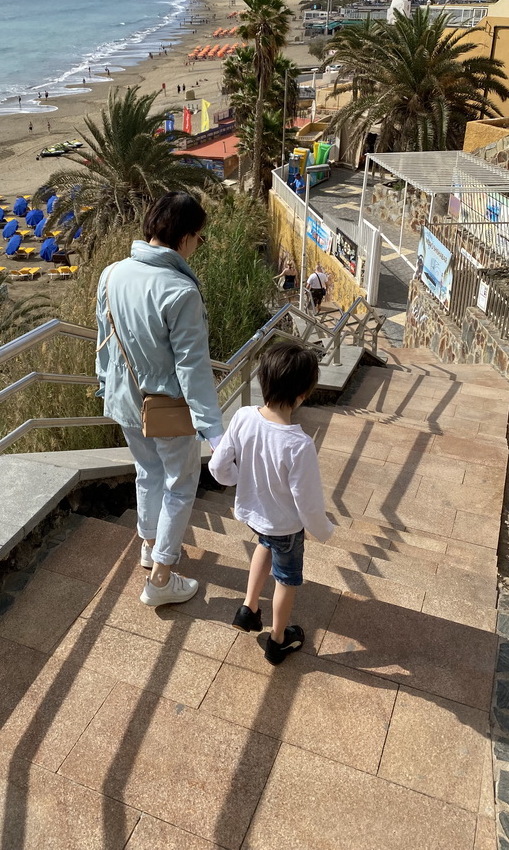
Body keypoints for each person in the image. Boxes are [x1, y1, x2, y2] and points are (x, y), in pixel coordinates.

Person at [96, 192, 223, 608]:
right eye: (199, 239)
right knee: (181, 486)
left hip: (124, 400)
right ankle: (162, 578)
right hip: (166, 407)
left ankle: (150, 547)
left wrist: (105, 385)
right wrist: (215, 432)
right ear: (186, 237)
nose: (197, 246)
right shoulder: (180, 291)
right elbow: (193, 369)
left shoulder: (112, 273)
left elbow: (104, 343)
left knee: (147, 474)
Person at [209, 342, 334, 664]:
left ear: (263, 380)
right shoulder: (299, 444)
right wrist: (324, 530)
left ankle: (248, 607)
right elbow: (307, 503)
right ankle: (278, 640)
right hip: (286, 525)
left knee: (264, 543)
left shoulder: (242, 417)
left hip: (253, 513)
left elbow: (218, 467)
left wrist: (240, 481)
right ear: (304, 393)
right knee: (287, 579)